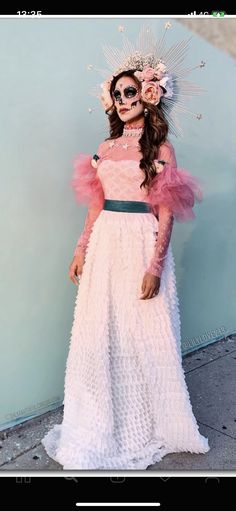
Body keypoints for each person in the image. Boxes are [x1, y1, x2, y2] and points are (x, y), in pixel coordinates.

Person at [41, 26, 210, 469]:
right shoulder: (105, 147)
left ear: (149, 95)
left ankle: (152, 419)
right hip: (106, 245)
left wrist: (155, 265)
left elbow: (167, 213)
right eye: (116, 93)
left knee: (144, 331)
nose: (123, 99)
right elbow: (96, 205)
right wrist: (81, 247)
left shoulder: (162, 149)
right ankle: (99, 417)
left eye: (130, 90)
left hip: (140, 243)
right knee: (101, 330)